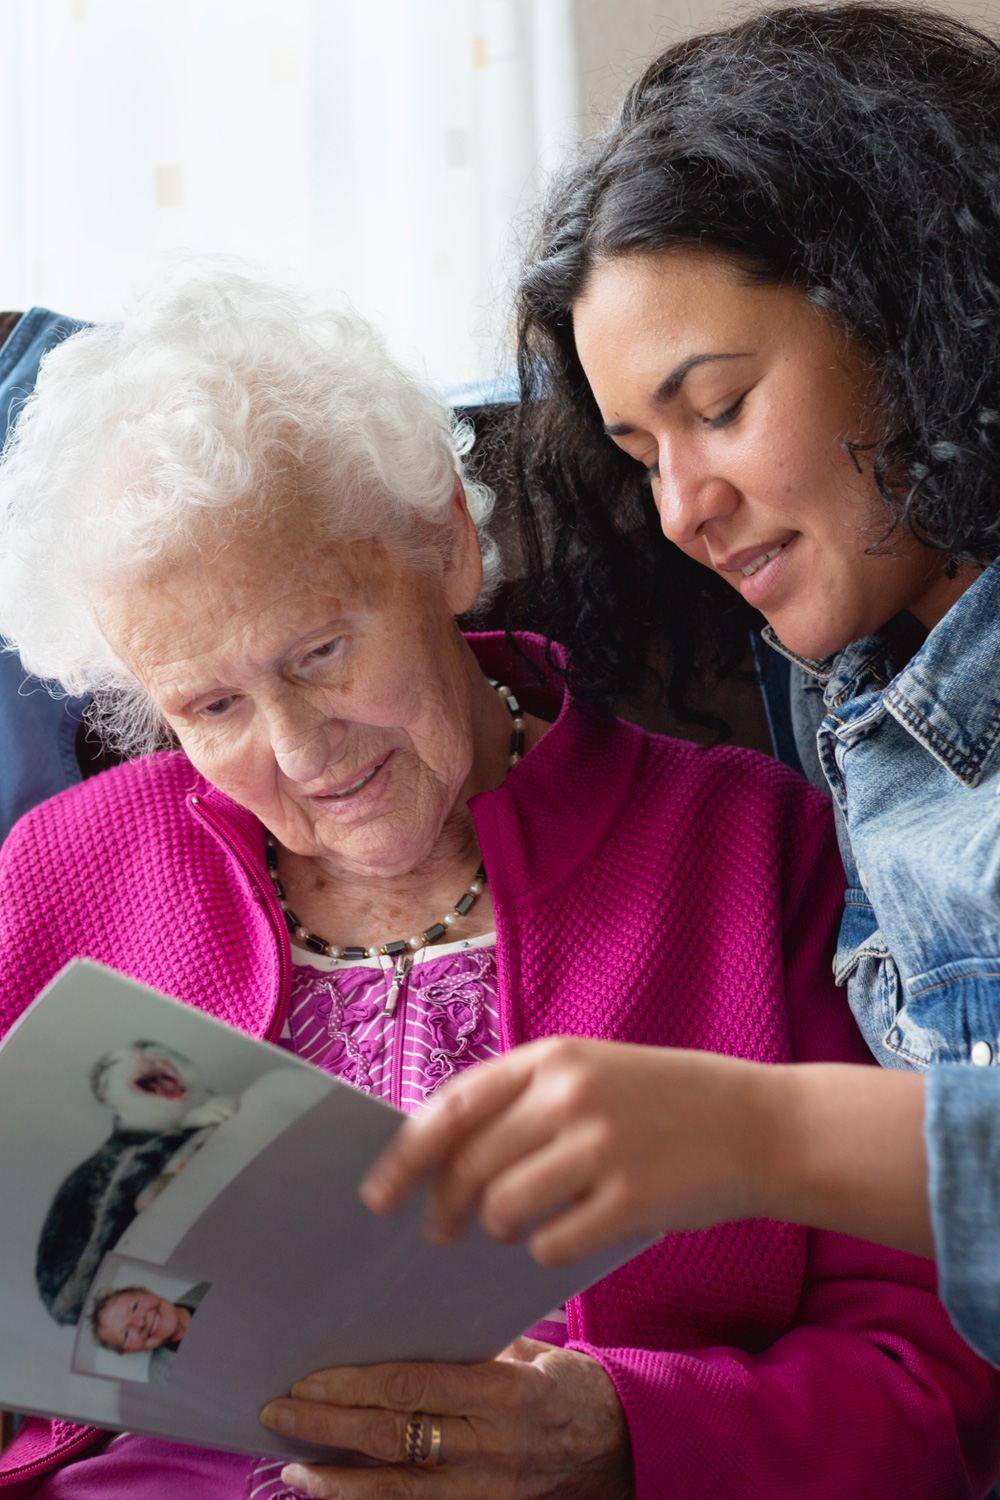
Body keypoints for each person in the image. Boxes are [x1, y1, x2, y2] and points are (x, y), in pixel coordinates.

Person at [0, 261, 995, 1500]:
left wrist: (615, 1434)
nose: (302, 752)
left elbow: (930, 1388)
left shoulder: (745, 849)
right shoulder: (66, 870)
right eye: (210, 705)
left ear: (446, 548)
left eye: (320, 650)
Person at [360, 0, 1000, 1383]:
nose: (682, 511)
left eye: (716, 406)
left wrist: (760, 1138)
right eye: (640, 449)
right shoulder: (848, 684)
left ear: (905, 316)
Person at [90, 1282, 210, 1385]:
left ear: (148, 1292)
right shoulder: (165, 1378)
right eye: (126, 1333)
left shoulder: (207, 1289)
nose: (140, 1323)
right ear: (128, 1351)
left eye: (135, 1307)